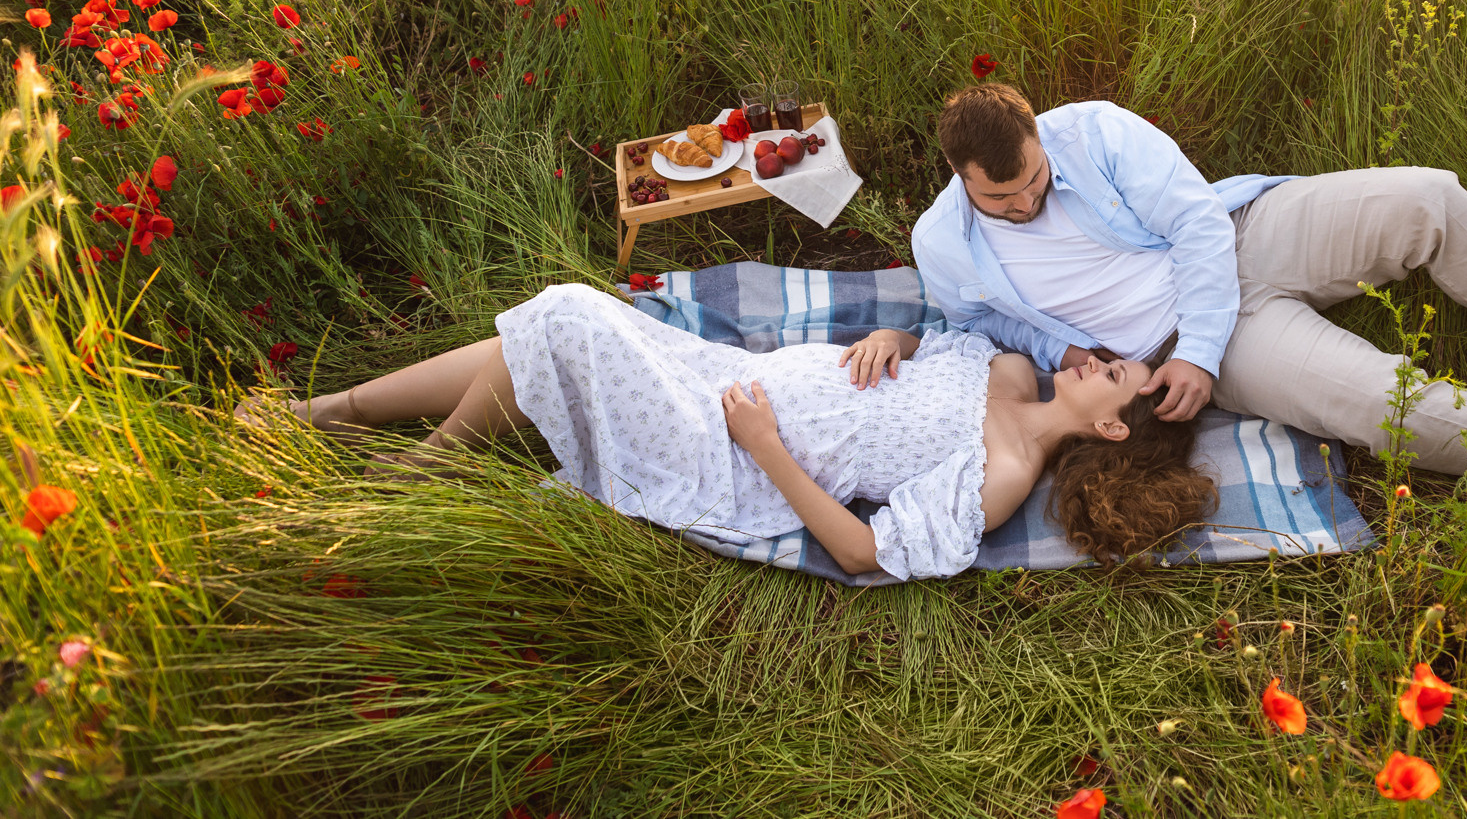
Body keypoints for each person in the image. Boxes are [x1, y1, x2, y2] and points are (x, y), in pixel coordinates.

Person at [233, 284, 1216, 578]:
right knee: (541, 336)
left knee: (565, 318)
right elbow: (922, 345)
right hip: (725, 377)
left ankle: (409, 471)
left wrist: (763, 447)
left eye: (1110, 372)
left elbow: (861, 550)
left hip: (727, 446)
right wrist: (895, 335)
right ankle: (326, 415)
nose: (1089, 358)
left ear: (1111, 427)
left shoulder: (998, 474)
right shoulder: (1003, 368)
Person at [910, 83, 1467, 476]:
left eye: (1034, 179)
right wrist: (1069, 351)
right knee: (1380, 403)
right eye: (1001, 199)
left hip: (1244, 233)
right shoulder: (941, 246)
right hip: (1197, 347)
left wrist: (1199, 346)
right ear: (959, 175)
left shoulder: (1094, 131)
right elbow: (986, 327)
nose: (1025, 201)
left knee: (1432, 198)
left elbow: (1195, 221)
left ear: (1036, 135)